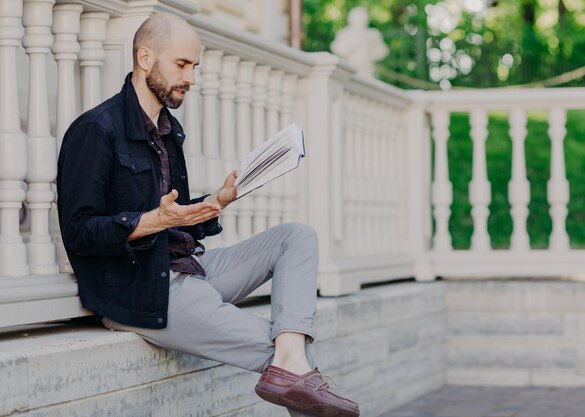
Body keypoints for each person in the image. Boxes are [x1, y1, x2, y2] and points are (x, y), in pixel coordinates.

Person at [57, 13, 359, 417]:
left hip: (191, 268)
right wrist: (153, 222)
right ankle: (288, 361)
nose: (191, 78)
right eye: (182, 65)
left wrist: (217, 200)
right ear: (145, 57)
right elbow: (79, 232)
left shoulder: (169, 128)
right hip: (143, 290)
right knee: (292, 362)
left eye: (194, 67)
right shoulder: (96, 129)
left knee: (297, 236)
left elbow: (174, 216)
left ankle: (288, 357)